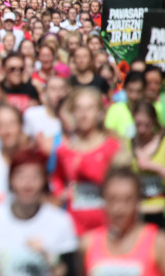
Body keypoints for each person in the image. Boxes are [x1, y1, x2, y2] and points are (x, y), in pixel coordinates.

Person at [52, 88, 129, 234]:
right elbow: (57, 178)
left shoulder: (112, 146)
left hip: (107, 226)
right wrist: (61, 193)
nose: (84, 114)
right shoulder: (64, 149)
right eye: (79, 109)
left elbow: (125, 185)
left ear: (99, 113)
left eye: (89, 108)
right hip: (74, 228)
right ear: (73, 113)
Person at [128, 101, 165, 226]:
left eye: (146, 125)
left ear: (154, 121)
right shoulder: (128, 144)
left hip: (161, 209)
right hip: (137, 211)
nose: (141, 129)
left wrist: (153, 167)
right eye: (138, 124)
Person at [104, 71, 145, 140]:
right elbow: (107, 134)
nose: (134, 96)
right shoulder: (115, 109)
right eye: (130, 90)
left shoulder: (150, 110)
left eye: (138, 91)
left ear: (144, 91)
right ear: (125, 89)